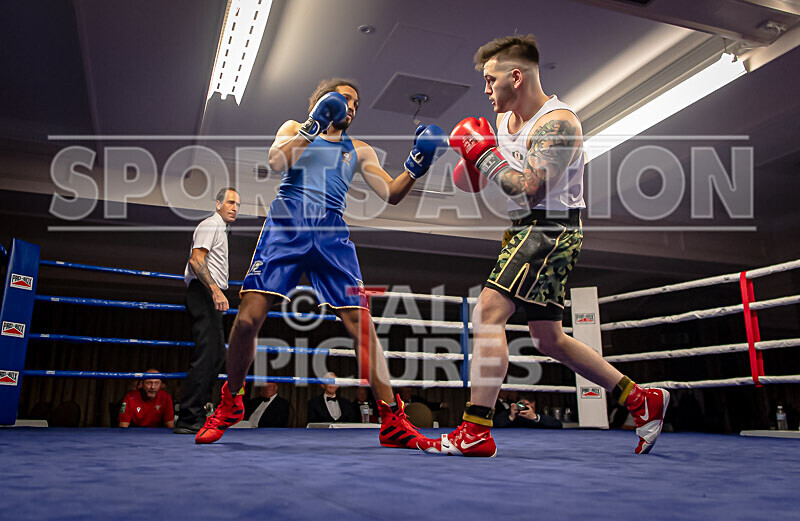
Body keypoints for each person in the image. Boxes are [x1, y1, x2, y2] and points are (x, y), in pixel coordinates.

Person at [418, 35, 669, 457]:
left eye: (489, 79)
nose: (485, 90)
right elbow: (481, 183)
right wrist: (464, 154)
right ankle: (640, 400)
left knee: (488, 311)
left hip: (551, 228)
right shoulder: (505, 120)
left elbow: (530, 187)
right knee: (549, 339)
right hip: (523, 228)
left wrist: (481, 153)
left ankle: (475, 430)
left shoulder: (559, 124)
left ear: (515, 77)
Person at [195, 78, 449, 446]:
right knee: (248, 318)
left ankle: (393, 420)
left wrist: (416, 166)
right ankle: (231, 401)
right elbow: (276, 160)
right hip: (288, 221)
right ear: (323, 102)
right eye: (345, 99)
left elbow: (391, 193)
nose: (352, 107)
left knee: (362, 327)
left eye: (357, 103)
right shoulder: (293, 128)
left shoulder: (359, 149)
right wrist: (313, 125)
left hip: (332, 231)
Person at [174, 187, 241, 434]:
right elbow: (196, 260)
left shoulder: (220, 229)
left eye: (238, 204)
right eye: (231, 202)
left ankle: (196, 413)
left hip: (209, 294)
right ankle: (188, 417)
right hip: (203, 292)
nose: (235, 207)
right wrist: (214, 289)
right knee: (206, 354)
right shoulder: (210, 225)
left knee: (215, 355)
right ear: (218, 204)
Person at [494, 393, 562, 429]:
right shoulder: (511, 413)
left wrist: (534, 417)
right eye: (522, 403)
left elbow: (558, 424)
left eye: (530, 401)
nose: (526, 405)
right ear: (517, 403)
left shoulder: (538, 416)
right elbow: (495, 424)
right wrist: (511, 417)